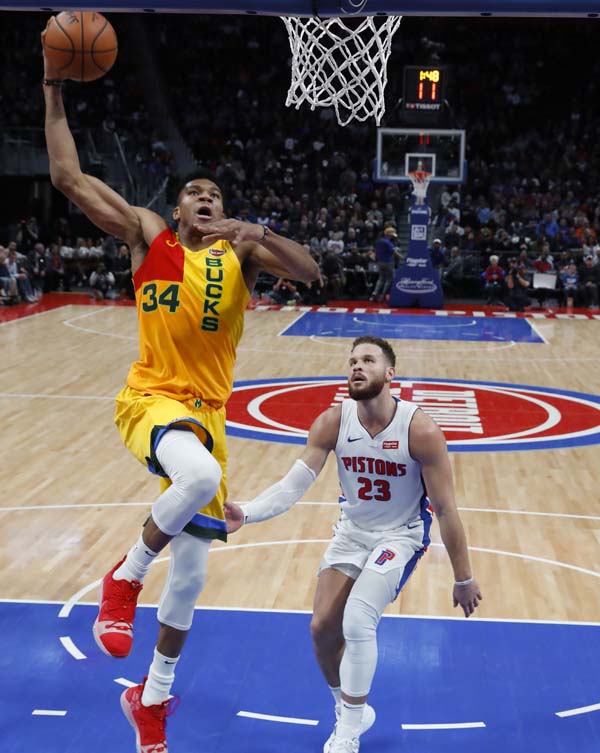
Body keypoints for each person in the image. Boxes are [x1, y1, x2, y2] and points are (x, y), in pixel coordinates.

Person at [42, 25, 319, 753]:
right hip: (152, 399)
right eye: (193, 191)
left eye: (213, 193)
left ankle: (152, 698)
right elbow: (69, 179)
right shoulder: (147, 238)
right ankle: (124, 577)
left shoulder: (241, 252)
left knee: (192, 575)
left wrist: (252, 227)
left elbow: (312, 271)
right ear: (175, 209)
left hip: (208, 414)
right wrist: (52, 90)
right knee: (194, 476)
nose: (203, 197)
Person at [224, 335, 482, 753]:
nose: (356, 367)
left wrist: (463, 577)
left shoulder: (420, 429)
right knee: (323, 630)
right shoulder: (332, 421)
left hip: (400, 536)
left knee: (357, 620)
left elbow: (447, 510)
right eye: (352, 361)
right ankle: (351, 710)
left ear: (389, 373)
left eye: (367, 360)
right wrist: (248, 512)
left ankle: (346, 736)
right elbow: (295, 484)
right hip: (352, 532)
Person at [369, 227, 400, 303]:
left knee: (381, 278)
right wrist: (402, 257)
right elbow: (393, 252)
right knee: (390, 279)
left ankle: (374, 293)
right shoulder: (388, 242)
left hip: (380, 262)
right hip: (388, 262)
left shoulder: (379, 241)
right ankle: (383, 295)